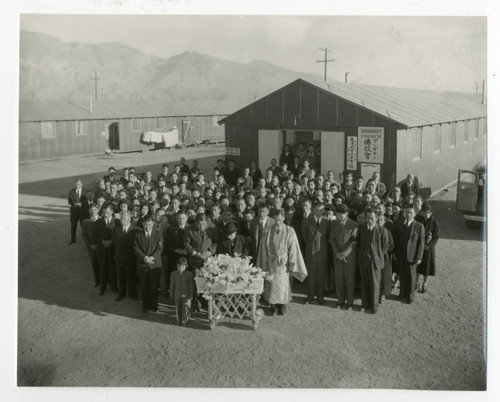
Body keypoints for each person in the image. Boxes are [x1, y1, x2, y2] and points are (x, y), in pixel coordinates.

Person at [257, 209, 308, 315]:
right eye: (275, 220)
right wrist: (263, 262)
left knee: (283, 285)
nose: (277, 222)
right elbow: (263, 248)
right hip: (271, 262)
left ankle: (282, 306)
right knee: (271, 283)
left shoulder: (290, 230)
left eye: (279, 220)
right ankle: (273, 306)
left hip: (283, 263)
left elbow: (293, 248)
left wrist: (292, 263)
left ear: (283, 218)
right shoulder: (267, 231)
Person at [356, 207, 390, 314]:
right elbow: (358, 243)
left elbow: (385, 246)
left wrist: (378, 255)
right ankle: (365, 304)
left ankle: (374, 306)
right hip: (363, 260)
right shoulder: (361, 228)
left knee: (375, 284)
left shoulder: (382, 230)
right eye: (367, 218)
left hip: (375, 261)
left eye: (372, 218)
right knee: (364, 283)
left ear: (376, 218)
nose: (369, 220)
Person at [394, 204, 425, 304]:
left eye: (411, 213)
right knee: (402, 275)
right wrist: (395, 252)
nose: (409, 214)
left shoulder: (419, 226)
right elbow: (396, 239)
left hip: (412, 256)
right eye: (407, 212)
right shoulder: (399, 224)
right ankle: (401, 294)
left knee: (411, 277)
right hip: (401, 254)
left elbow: (421, 243)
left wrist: (419, 257)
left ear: (415, 214)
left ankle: (410, 296)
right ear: (404, 213)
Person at [329, 204, 358, 310]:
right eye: (338, 214)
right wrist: (337, 253)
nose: (339, 216)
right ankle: (340, 300)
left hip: (349, 257)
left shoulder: (354, 224)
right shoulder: (333, 223)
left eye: (342, 214)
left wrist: (344, 253)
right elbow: (331, 239)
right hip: (336, 256)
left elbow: (353, 242)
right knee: (339, 279)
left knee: (349, 280)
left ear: (347, 213)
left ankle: (350, 302)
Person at [302, 202, 331, 305]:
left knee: (321, 276)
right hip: (310, 252)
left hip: (322, 252)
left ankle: (320, 296)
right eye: (317, 209)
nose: (319, 212)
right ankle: (309, 296)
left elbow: (328, 238)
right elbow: (305, 237)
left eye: (322, 210)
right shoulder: (306, 221)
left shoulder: (327, 222)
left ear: (324, 211)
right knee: (311, 276)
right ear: (313, 209)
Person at [134, 214, 163, 313]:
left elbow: (160, 248)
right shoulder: (138, 235)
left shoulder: (158, 233)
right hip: (143, 264)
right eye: (146, 224)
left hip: (155, 264)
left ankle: (154, 307)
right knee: (144, 286)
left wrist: (152, 257)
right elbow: (136, 248)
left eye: (150, 224)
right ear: (142, 224)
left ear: (153, 224)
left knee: (154, 286)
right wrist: (145, 258)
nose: (148, 227)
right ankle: (145, 306)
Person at [112, 211, 140, 301]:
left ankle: (133, 293)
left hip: (131, 258)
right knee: (121, 276)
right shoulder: (116, 229)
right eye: (121, 219)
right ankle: (122, 293)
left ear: (130, 219)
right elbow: (114, 243)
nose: (122, 221)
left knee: (132, 276)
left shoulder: (137, 230)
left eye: (124, 219)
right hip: (120, 257)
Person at [95, 203, 120, 295]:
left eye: (107, 212)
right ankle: (103, 288)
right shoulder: (98, 222)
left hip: (112, 249)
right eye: (104, 212)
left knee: (113, 269)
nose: (105, 215)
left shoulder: (117, 222)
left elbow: (118, 235)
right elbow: (95, 236)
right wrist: (102, 241)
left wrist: (111, 242)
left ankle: (114, 287)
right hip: (102, 250)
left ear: (112, 212)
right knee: (102, 269)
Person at [415, 203, 439, 293]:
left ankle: (425, 283)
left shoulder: (434, 222)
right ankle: (416, 282)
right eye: (424, 212)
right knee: (418, 265)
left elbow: (436, 236)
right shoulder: (417, 219)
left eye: (427, 213)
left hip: (428, 248)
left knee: (427, 267)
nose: (425, 214)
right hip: (419, 246)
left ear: (431, 213)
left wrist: (429, 245)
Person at [170, 257, 194, 326]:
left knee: (185, 308)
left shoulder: (189, 275)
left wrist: (191, 295)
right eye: (179, 266)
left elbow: (191, 286)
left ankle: (185, 321)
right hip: (177, 294)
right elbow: (172, 284)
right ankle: (179, 320)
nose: (181, 268)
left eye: (183, 266)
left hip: (186, 295)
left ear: (186, 266)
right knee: (178, 307)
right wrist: (171, 292)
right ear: (177, 266)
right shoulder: (173, 274)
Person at [81, 204, 101, 288]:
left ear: (98, 210)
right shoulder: (85, 222)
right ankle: (97, 281)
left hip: (101, 246)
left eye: (95, 210)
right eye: (91, 210)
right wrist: (90, 245)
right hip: (91, 247)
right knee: (94, 264)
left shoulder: (102, 220)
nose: (93, 212)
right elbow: (84, 235)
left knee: (103, 264)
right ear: (89, 211)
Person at [68, 178, 85, 244]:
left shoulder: (85, 191)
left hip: (82, 211)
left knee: (83, 225)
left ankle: (85, 238)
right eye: (76, 184)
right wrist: (74, 204)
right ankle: (73, 239)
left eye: (78, 184)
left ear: (81, 184)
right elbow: (69, 201)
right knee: (73, 226)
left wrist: (82, 204)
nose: (77, 186)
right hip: (74, 212)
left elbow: (87, 201)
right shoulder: (71, 191)